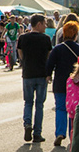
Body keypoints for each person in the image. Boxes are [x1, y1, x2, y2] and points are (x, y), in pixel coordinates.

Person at [46, 21, 79, 147]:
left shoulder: (57, 49)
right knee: (74, 110)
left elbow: (50, 64)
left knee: (60, 108)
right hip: (76, 84)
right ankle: (72, 135)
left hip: (60, 83)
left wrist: (48, 76)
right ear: (76, 35)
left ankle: (60, 132)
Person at [18, 14, 53, 143]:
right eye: (44, 23)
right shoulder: (46, 39)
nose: (45, 26)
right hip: (42, 74)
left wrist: (25, 62)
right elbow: (49, 56)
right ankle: (37, 133)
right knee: (39, 104)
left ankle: (27, 123)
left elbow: (20, 53)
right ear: (38, 24)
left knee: (28, 102)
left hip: (27, 74)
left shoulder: (23, 38)